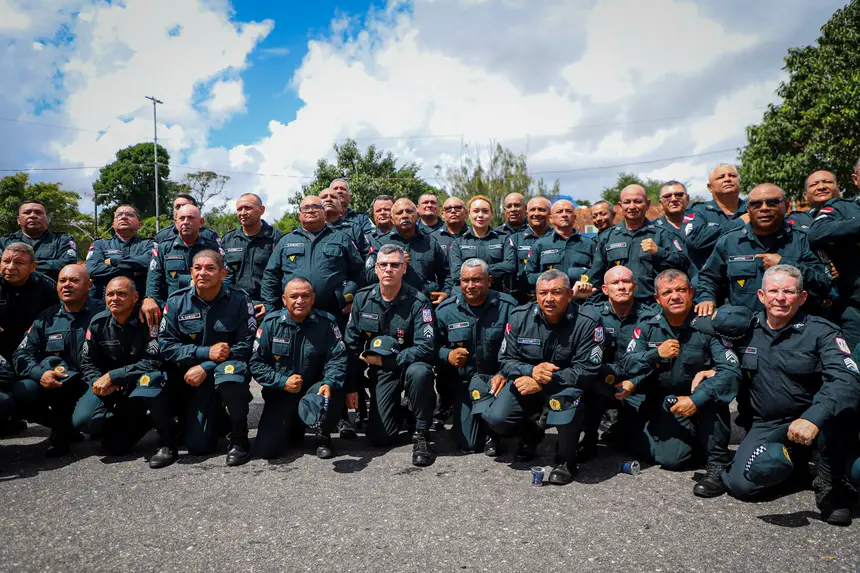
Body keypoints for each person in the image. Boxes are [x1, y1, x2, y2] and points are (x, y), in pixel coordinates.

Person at [705, 265, 860, 526]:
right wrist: (712, 370)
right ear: (761, 295)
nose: (780, 298)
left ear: (802, 297)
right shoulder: (745, 330)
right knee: (742, 485)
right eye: (773, 291)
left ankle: (830, 482)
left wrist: (813, 418)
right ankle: (794, 465)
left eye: (789, 291)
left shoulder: (822, 331)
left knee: (853, 463)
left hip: (819, 423)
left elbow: (847, 380)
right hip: (769, 424)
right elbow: (715, 348)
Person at [618, 269, 741, 497]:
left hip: (699, 399)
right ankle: (691, 442)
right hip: (667, 403)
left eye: (681, 290)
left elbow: (730, 370)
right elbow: (627, 363)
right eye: (667, 292)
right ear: (657, 299)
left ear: (691, 292)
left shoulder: (708, 325)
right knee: (673, 460)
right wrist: (655, 354)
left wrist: (696, 399)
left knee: (712, 388)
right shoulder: (647, 324)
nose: (675, 296)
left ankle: (717, 464)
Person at [483, 270, 603, 485]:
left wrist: (542, 380)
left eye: (556, 292)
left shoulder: (588, 321)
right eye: (543, 293)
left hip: (566, 385)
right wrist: (530, 371)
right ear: (536, 295)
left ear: (569, 294)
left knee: (566, 401)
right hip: (528, 381)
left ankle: (566, 461)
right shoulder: (519, 316)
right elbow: (506, 360)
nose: (549, 299)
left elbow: (587, 369)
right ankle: (532, 431)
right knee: (497, 419)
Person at [158, 250, 257, 466]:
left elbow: (244, 347)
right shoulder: (176, 302)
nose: (203, 273)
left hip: (223, 371)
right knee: (198, 446)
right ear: (191, 272)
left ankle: (239, 437)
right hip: (192, 378)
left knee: (231, 375)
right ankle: (217, 419)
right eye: (198, 268)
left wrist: (206, 366)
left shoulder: (240, 300)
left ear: (223, 273)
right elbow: (166, 346)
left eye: (210, 268)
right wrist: (203, 353)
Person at [344, 244, 437, 466]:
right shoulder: (362, 299)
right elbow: (351, 345)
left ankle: (422, 432)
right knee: (380, 438)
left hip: (409, 366)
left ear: (404, 268)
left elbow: (427, 347)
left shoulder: (419, 301)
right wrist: (352, 386)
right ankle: (403, 410)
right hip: (381, 371)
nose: (388, 270)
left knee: (421, 373)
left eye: (395, 265)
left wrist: (389, 361)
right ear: (376, 269)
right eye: (383, 265)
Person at [73, 276, 177, 467]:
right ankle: (142, 421)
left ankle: (167, 440)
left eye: (121, 294)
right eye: (110, 294)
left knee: (150, 379)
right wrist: (99, 381)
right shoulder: (98, 323)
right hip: (116, 388)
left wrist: (114, 376)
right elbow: (88, 362)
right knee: (101, 435)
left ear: (135, 297)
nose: (115, 298)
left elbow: (153, 362)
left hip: (146, 386)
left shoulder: (149, 319)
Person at [694, 184, 830, 316]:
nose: (764, 208)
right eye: (756, 204)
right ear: (748, 210)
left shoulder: (804, 240)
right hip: (746, 325)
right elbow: (709, 278)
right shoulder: (730, 241)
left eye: (772, 203)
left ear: (786, 206)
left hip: (795, 326)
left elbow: (824, 284)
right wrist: (706, 299)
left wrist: (786, 265)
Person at [250, 277, 347, 460]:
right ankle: (294, 427)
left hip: (314, 392)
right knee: (267, 451)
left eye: (305, 296)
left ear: (313, 298)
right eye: (294, 296)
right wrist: (282, 382)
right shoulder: (271, 323)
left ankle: (323, 436)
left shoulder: (326, 323)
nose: (300, 301)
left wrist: (328, 383)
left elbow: (337, 359)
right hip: (282, 393)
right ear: (284, 299)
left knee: (333, 390)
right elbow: (256, 363)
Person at [11, 264, 102, 456]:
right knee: (21, 393)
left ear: (89, 285)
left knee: (89, 421)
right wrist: (40, 374)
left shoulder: (104, 314)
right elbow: (21, 353)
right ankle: (62, 427)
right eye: (62, 281)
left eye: (74, 280)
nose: (67, 285)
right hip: (59, 385)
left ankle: (97, 423)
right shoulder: (46, 319)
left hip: (93, 383)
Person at [435, 259, 517, 453]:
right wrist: (447, 354)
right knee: (470, 444)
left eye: (476, 280)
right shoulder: (445, 311)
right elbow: (430, 347)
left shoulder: (508, 307)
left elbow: (520, 348)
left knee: (501, 420)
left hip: (499, 380)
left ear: (489, 281)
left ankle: (501, 430)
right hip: (466, 382)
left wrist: (505, 373)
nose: (470, 285)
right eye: (465, 280)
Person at [576, 266, 652, 460]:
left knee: (644, 448)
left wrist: (634, 382)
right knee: (585, 385)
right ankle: (589, 436)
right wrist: (573, 296)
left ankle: (620, 429)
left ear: (634, 286)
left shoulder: (650, 317)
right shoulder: (593, 314)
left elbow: (657, 360)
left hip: (638, 386)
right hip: (603, 382)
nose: (621, 287)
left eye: (626, 282)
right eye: (615, 283)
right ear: (605, 289)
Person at [261, 195, 363, 321]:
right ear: (299, 215)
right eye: (306, 208)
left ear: (324, 213)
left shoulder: (341, 238)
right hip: (294, 314)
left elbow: (359, 272)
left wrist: (355, 300)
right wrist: (271, 311)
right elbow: (271, 277)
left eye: (315, 207)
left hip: (335, 314)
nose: (310, 210)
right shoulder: (286, 241)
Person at [588, 185, 689, 304]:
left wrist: (659, 252)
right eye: (627, 202)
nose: (632, 206)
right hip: (618, 308)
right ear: (620, 206)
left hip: (653, 306)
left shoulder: (663, 234)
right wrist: (591, 306)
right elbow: (596, 278)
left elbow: (684, 264)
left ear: (647, 204)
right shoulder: (608, 237)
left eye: (638, 201)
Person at [141, 204, 222, 333]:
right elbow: (154, 278)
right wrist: (150, 298)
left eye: (190, 218)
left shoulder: (213, 248)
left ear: (201, 222)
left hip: (207, 307)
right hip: (173, 309)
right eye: (182, 218)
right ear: (176, 222)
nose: (185, 222)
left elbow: (224, 276)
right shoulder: (163, 248)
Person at [808, 179, 860, 348]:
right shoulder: (842, 207)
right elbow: (817, 233)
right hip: (855, 308)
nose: (821, 186)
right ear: (855, 179)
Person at [366, 198, 449, 305]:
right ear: (392, 219)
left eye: (409, 211)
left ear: (417, 215)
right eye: (399, 213)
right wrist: (392, 264)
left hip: (425, 304)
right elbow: (369, 276)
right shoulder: (381, 243)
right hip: (391, 306)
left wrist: (446, 293)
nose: (404, 215)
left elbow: (446, 274)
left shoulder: (430, 242)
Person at [220, 193, 285, 321]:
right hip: (234, 307)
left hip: (267, 309)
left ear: (262, 210)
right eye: (239, 209)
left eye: (248, 208)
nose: (243, 213)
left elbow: (282, 276)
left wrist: (269, 305)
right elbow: (224, 276)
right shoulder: (228, 240)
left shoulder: (278, 238)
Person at [0, 242, 58, 361]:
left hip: (33, 349)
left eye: (19, 263)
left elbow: (56, 323)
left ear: (33, 267)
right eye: (6, 261)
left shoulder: (47, 287)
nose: (10, 267)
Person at [683, 164, 748, 269]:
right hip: (710, 276)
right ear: (710, 187)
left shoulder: (753, 209)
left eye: (732, 176)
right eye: (721, 177)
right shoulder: (699, 210)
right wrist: (739, 223)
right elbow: (694, 240)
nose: (727, 179)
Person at [525, 199, 595, 292]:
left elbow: (597, 275)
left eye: (568, 211)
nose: (564, 214)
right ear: (551, 218)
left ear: (574, 217)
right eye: (559, 211)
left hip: (581, 298)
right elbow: (528, 276)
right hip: (550, 297)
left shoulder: (589, 244)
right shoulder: (540, 244)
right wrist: (550, 277)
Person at [86, 205, 154, 300]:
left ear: (139, 224)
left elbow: (149, 263)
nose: (123, 217)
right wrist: (133, 271)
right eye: (119, 215)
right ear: (113, 224)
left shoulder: (149, 244)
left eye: (129, 214)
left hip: (140, 302)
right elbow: (93, 269)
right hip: (104, 303)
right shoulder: (99, 244)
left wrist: (114, 261)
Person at [0, 200, 77, 281]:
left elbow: (68, 264)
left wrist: (25, 266)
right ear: (18, 220)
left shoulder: (62, 241)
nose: (33, 216)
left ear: (47, 219)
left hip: (49, 288)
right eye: (27, 212)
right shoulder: (3, 242)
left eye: (38, 212)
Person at [447, 195, 508, 293]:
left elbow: (509, 266)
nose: (480, 215)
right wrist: (488, 271)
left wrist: (474, 271)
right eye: (476, 211)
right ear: (468, 213)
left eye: (485, 211)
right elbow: (456, 273)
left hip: (497, 294)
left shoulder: (504, 239)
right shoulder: (458, 243)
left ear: (491, 214)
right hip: (467, 295)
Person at [502, 196, 551, 303]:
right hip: (521, 300)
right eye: (533, 210)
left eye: (541, 210)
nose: (536, 213)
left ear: (550, 214)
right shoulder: (513, 240)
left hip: (551, 298)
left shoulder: (557, 239)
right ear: (527, 213)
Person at [320, 187, 368, 257]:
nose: (328, 199)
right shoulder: (310, 230)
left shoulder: (354, 229)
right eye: (324, 197)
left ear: (340, 206)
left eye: (333, 197)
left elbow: (367, 255)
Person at [155, 194, 220, 244]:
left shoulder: (210, 235)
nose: (180, 209)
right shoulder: (162, 236)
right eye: (177, 207)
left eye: (185, 206)